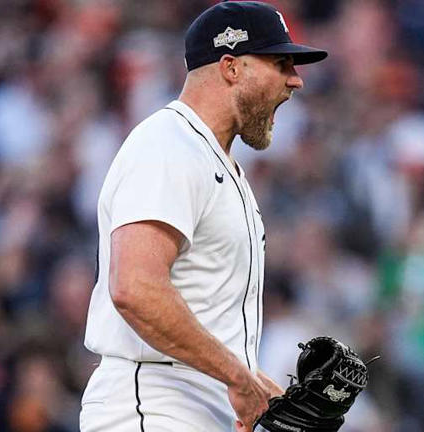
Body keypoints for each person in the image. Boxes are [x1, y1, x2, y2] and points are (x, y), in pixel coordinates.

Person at [78, 2, 327, 431]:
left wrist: (262, 388)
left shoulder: (215, 160)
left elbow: (206, 315)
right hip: (152, 408)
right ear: (231, 67)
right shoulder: (167, 144)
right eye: (280, 62)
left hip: (196, 408)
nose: (295, 80)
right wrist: (237, 376)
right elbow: (134, 287)